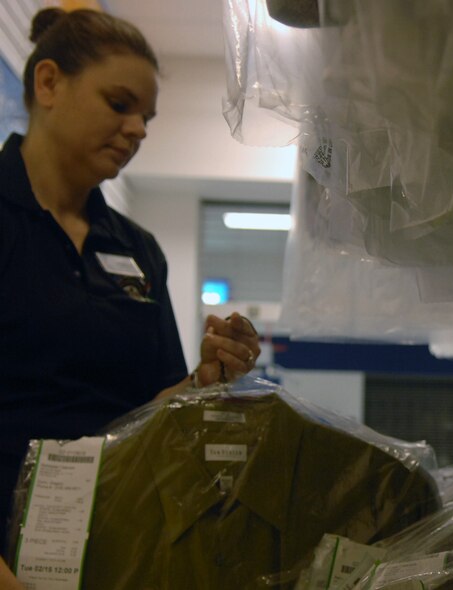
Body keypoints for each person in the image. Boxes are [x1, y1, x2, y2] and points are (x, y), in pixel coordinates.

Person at [0, 6, 261, 570]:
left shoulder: (138, 250)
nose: (139, 129)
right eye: (119, 105)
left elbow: (151, 410)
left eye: (147, 116)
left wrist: (205, 377)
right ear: (49, 82)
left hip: (111, 544)